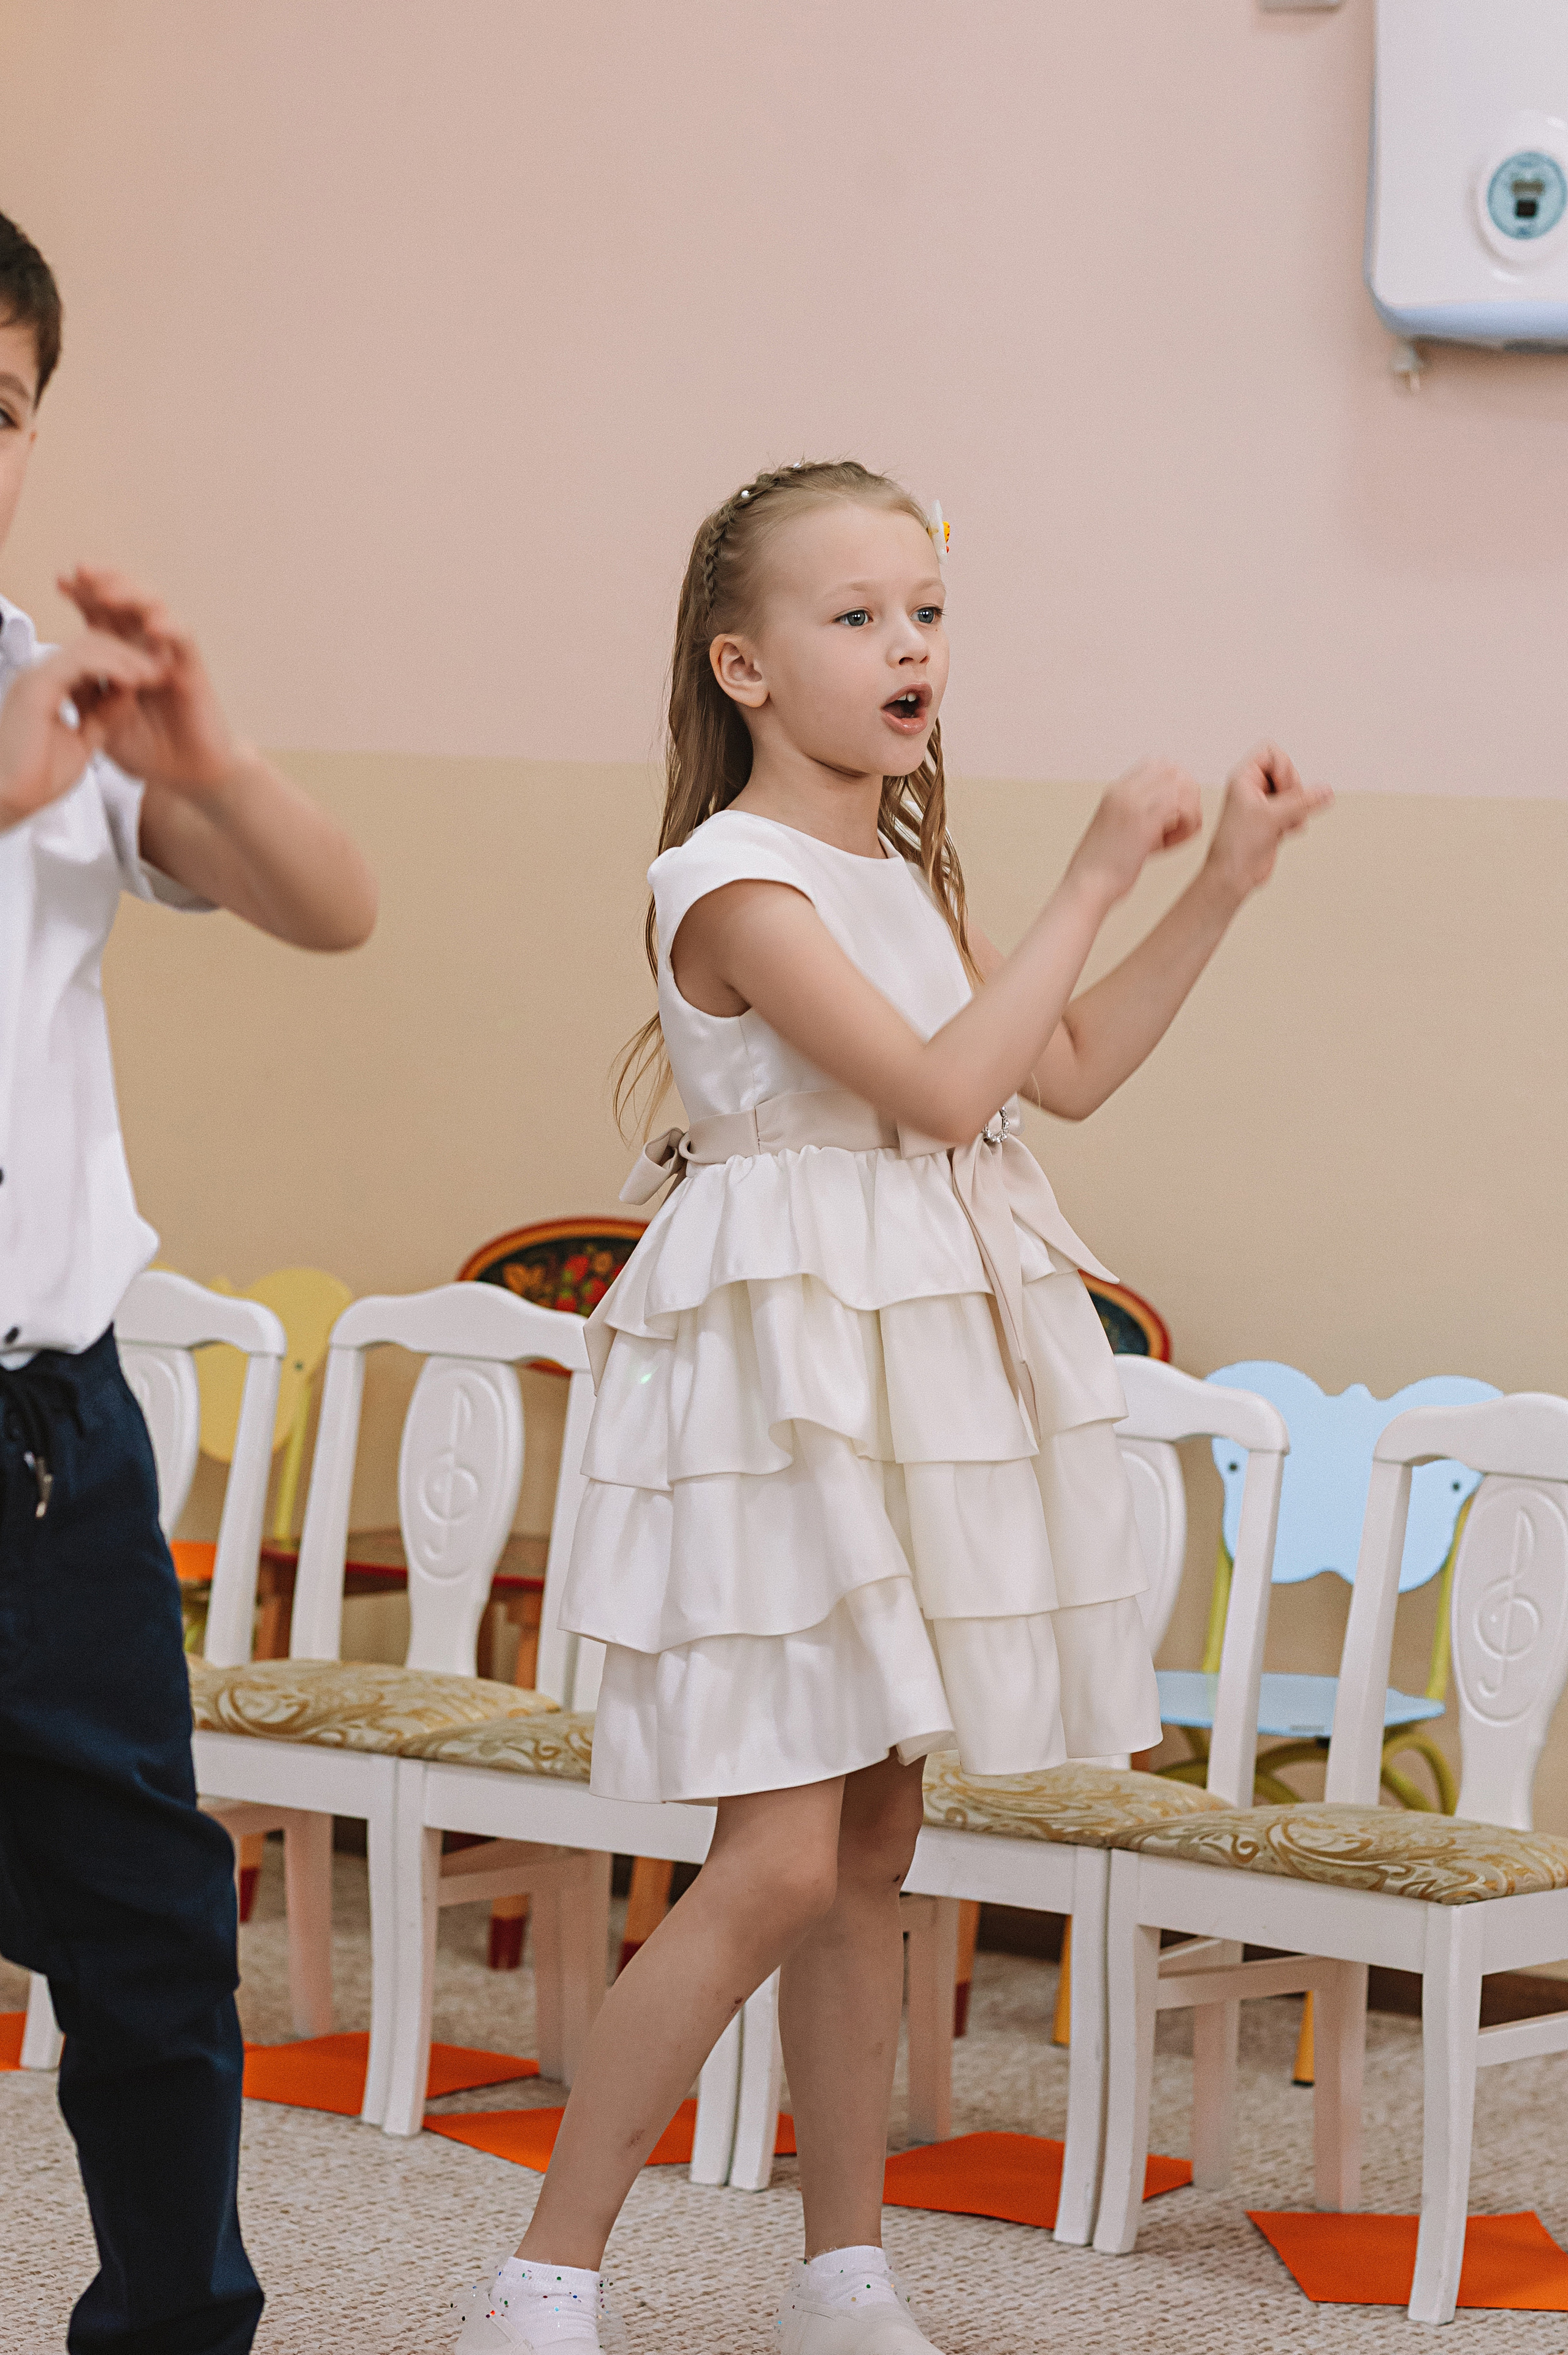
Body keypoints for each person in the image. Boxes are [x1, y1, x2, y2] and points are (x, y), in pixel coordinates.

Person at [457, 459, 1329, 2355]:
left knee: (871, 1841)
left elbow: (1063, 1066)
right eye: (855, 618)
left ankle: (842, 2273)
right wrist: (1099, 867)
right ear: (746, 665)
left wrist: (1219, 887)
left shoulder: (897, 873)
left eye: (924, 611)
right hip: (784, 1384)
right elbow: (941, 1096)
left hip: (908, 1357)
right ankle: (541, 2278)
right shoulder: (733, 882)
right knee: (775, 1848)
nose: (907, 645)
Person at [0, 209, 376, 2355]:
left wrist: (206, 762)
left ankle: (174, 2318)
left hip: (52, 1434)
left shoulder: (49, 694)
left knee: (149, 1928)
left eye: (2, 409)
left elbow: (332, 905)